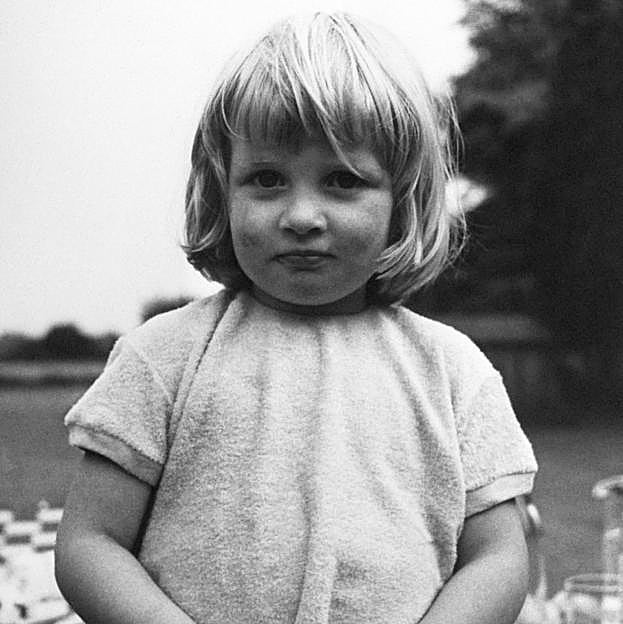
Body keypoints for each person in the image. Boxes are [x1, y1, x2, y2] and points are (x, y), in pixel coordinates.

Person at [55, 12, 538, 624]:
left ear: (401, 200)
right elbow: (89, 544)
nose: (302, 216)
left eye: (342, 180)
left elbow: (498, 558)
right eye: (267, 179)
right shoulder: (164, 357)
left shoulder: (454, 372)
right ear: (222, 191)